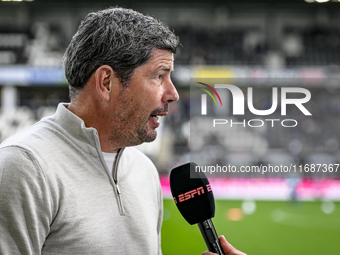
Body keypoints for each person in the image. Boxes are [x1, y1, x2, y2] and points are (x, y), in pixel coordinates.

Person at [0, 7, 245, 255]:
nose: (173, 94)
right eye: (160, 76)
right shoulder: (23, 167)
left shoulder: (144, 170)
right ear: (106, 82)